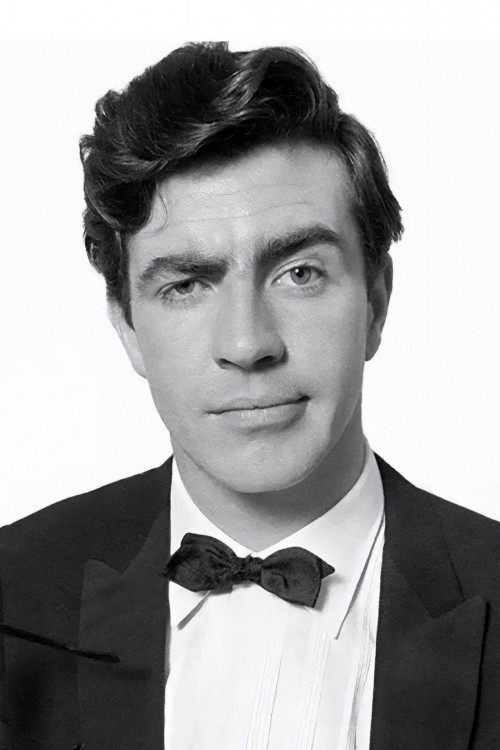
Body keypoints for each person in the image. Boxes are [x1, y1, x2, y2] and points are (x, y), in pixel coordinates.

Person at [0, 41, 498, 750]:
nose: (247, 342)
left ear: (377, 302)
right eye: (186, 285)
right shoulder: (13, 595)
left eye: (299, 273)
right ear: (128, 328)